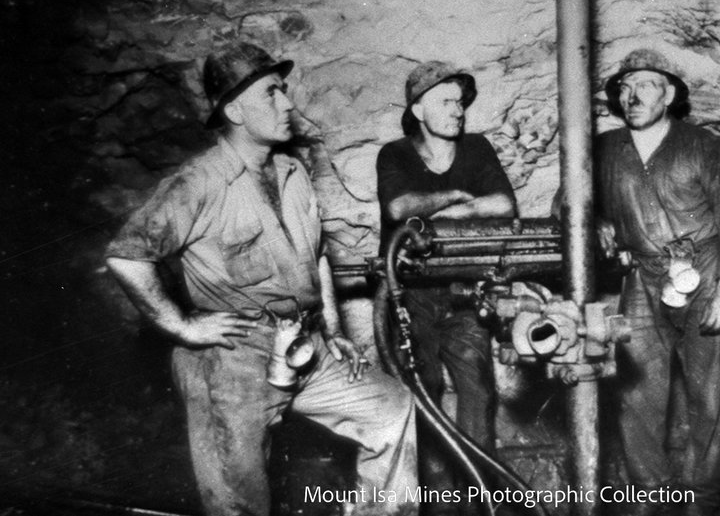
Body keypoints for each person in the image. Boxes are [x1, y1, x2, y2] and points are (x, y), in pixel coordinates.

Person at [105, 42, 418, 516]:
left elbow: (317, 259)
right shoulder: (198, 183)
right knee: (240, 499)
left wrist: (332, 331)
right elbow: (127, 257)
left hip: (302, 342)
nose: (287, 103)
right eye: (272, 93)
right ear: (234, 109)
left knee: (392, 411)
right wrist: (182, 326)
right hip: (232, 356)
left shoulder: (292, 171)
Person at [595, 48, 720, 516]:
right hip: (642, 274)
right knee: (636, 389)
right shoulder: (606, 149)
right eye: (624, 88)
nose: (632, 95)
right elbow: (569, 201)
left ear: (669, 94)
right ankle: (652, 495)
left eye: (644, 85)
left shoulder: (701, 144)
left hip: (703, 270)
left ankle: (703, 502)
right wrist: (595, 219)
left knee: (708, 396)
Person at [376, 61, 516, 515]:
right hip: (408, 294)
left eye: (460, 101)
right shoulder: (394, 154)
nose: (457, 110)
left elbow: (503, 204)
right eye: (446, 101)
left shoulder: (476, 149)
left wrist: (440, 215)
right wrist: (457, 197)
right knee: (423, 396)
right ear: (418, 109)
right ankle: (438, 509)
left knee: (478, 390)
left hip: (463, 289)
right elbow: (400, 207)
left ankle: (479, 507)